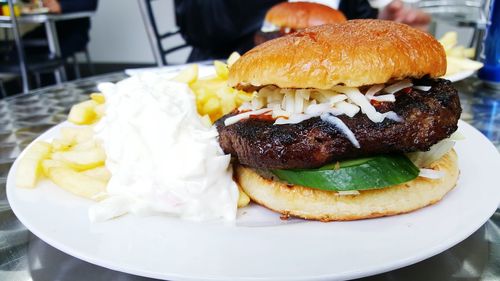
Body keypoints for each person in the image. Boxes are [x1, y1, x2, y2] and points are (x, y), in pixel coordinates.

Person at [175, 0, 431, 62]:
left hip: (329, 81)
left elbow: (352, 15)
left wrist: (380, 24)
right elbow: (198, 26)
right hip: (224, 68)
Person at [22, 0, 98, 58]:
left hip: (74, 30)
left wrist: (61, 6)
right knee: (19, 48)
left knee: (51, 55)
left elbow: (90, 3)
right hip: (48, 29)